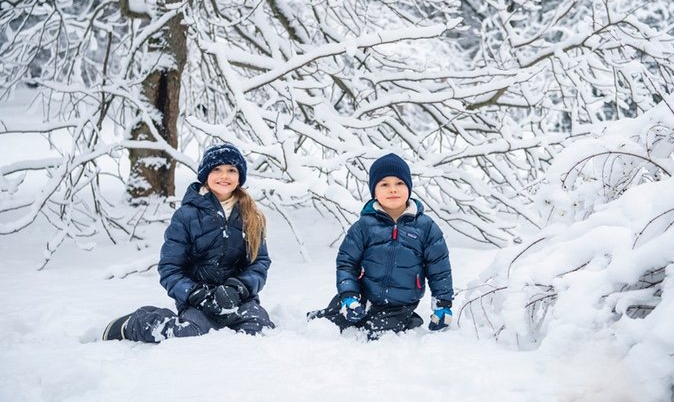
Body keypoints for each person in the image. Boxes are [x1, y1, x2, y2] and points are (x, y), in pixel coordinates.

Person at [103, 143, 275, 342]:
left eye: (231, 170)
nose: (224, 176)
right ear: (205, 175)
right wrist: (198, 295)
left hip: (240, 300)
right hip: (197, 301)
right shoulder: (186, 216)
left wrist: (238, 288)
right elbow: (170, 268)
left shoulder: (251, 216)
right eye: (216, 169)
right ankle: (136, 323)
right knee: (188, 335)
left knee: (259, 332)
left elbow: (259, 263)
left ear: (240, 176)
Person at [308, 153, 454, 339]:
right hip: (363, 296)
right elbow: (346, 263)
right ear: (374, 192)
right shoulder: (364, 226)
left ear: (409, 188)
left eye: (399, 183)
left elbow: (439, 269)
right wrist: (349, 296)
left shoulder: (425, 227)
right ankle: (332, 313)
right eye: (385, 184)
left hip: (399, 303)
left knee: (376, 333)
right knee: (331, 323)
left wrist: (443, 305)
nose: (393, 189)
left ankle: (408, 320)